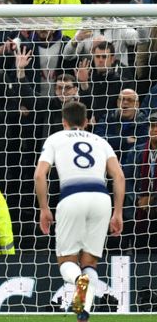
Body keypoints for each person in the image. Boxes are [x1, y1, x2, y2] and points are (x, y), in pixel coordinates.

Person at [34, 101, 125, 322]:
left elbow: (39, 175)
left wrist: (44, 208)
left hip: (72, 197)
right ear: (86, 122)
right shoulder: (100, 141)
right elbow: (119, 176)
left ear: (63, 122)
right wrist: (118, 212)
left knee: (67, 261)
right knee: (89, 262)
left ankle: (78, 283)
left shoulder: (55, 138)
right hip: (102, 198)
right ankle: (82, 309)